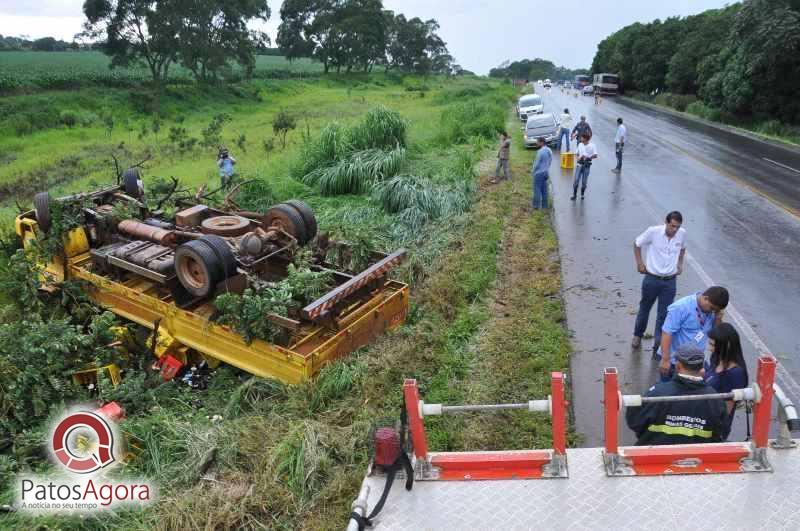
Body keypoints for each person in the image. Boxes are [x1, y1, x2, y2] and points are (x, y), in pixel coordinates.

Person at [626, 344, 730, 445]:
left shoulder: (657, 392)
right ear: (702, 368)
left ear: (678, 366)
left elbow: (634, 421)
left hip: (656, 457)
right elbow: (723, 433)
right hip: (698, 460)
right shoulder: (715, 399)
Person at [632, 211, 686, 351]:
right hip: (652, 279)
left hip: (669, 282)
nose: (674, 230)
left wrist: (680, 263)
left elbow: (682, 249)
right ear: (666, 222)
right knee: (645, 308)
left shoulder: (682, 234)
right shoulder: (653, 232)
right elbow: (637, 243)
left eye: (677, 227)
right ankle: (638, 335)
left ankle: (658, 344)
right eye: (672, 226)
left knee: (664, 314)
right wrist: (639, 263)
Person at [657, 286, 729, 382]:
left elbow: (715, 333)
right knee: (670, 392)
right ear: (705, 298)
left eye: (715, 310)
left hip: (695, 361)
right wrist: (665, 360)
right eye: (712, 308)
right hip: (675, 361)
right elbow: (667, 333)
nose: (712, 311)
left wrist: (718, 319)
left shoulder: (712, 312)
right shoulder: (681, 307)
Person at [705, 323, 749, 438]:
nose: (710, 348)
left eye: (713, 345)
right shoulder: (716, 357)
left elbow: (726, 410)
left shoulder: (735, 374)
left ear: (727, 345)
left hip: (713, 427)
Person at [570, 133, 597, 200]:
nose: (580, 139)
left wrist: (588, 157)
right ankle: (574, 195)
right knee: (576, 180)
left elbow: (595, 155)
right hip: (579, 165)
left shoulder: (592, 146)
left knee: (584, 182)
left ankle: (582, 194)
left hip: (587, 165)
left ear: (585, 139)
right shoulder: (580, 144)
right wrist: (578, 157)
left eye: (582, 138)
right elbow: (576, 153)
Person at [531, 137, 552, 209]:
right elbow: (550, 160)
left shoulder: (540, 151)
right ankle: (545, 206)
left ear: (542, 142)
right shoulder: (549, 150)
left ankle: (536, 206)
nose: (537, 143)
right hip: (546, 172)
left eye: (538, 142)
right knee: (544, 190)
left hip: (539, 173)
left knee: (537, 189)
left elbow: (536, 163)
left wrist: (533, 171)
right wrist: (546, 168)